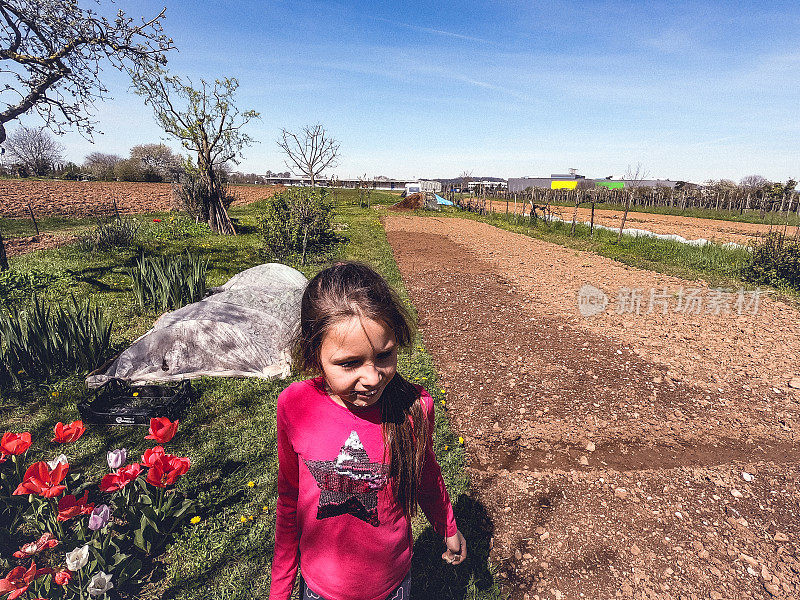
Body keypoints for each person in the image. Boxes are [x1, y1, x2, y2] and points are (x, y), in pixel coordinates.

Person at [269, 262, 467, 600]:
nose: (373, 378)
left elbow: (425, 473)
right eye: (349, 363)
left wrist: (446, 524)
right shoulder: (295, 406)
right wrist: (281, 587)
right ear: (314, 354)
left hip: (392, 586)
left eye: (384, 355)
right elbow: (289, 498)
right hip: (319, 589)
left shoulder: (414, 408)